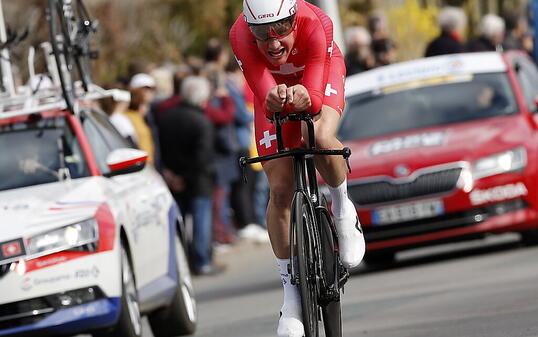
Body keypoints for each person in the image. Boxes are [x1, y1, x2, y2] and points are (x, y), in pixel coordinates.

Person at [229, 1, 366, 336]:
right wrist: (276, 98)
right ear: (249, 29)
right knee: (279, 189)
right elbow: (263, 93)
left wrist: (306, 95)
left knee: (318, 133)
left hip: (319, 72)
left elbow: (316, 99)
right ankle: (291, 297)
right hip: (274, 86)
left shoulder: (316, 23)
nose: (273, 42)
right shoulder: (239, 36)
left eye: (280, 30)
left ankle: (341, 205)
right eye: (262, 33)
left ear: (294, 19)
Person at [156, 75, 222, 276]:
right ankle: (202, 262)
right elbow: (202, 157)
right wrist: (184, 177)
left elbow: (159, 149)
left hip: (172, 177)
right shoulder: (202, 121)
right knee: (201, 222)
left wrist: (171, 175)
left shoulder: (165, 117)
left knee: (180, 224)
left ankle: (183, 262)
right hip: (197, 180)